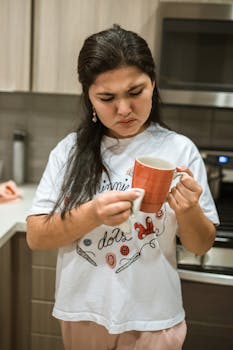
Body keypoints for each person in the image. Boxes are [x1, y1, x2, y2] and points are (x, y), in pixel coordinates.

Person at [26, 24, 219, 350]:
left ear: (153, 84)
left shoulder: (179, 150)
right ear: (88, 97)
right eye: (107, 98)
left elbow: (201, 245)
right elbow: (36, 235)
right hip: (83, 313)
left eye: (135, 92)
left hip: (154, 318)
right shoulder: (69, 151)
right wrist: (93, 213)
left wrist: (188, 210)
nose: (124, 110)